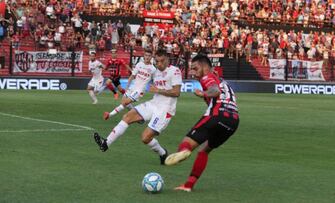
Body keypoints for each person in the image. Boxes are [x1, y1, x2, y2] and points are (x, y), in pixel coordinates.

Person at [94, 49, 182, 165]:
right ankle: (105, 143)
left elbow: (176, 92)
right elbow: (141, 83)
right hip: (154, 103)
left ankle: (163, 153)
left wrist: (158, 90)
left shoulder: (174, 71)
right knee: (127, 116)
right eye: (157, 61)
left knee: (145, 138)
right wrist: (130, 96)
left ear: (167, 59)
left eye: (161, 61)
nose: (159, 64)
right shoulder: (154, 71)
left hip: (165, 109)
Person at [165, 54, 239, 192]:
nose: (192, 72)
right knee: (204, 150)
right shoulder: (221, 80)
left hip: (217, 115)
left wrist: (203, 94)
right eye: (191, 69)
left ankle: (184, 151)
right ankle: (188, 186)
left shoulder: (207, 77)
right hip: (233, 121)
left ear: (205, 67)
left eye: (195, 68)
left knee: (187, 142)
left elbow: (215, 91)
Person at [103, 48, 156, 120]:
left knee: (125, 103)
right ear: (144, 56)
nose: (147, 57)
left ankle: (110, 114)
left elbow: (155, 80)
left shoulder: (153, 69)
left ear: (151, 57)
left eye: (149, 56)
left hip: (139, 90)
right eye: (146, 55)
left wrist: (155, 88)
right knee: (124, 101)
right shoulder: (139, 64)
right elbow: (132, 76)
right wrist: (127, 86)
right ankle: (139, 116)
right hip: (133, 87)